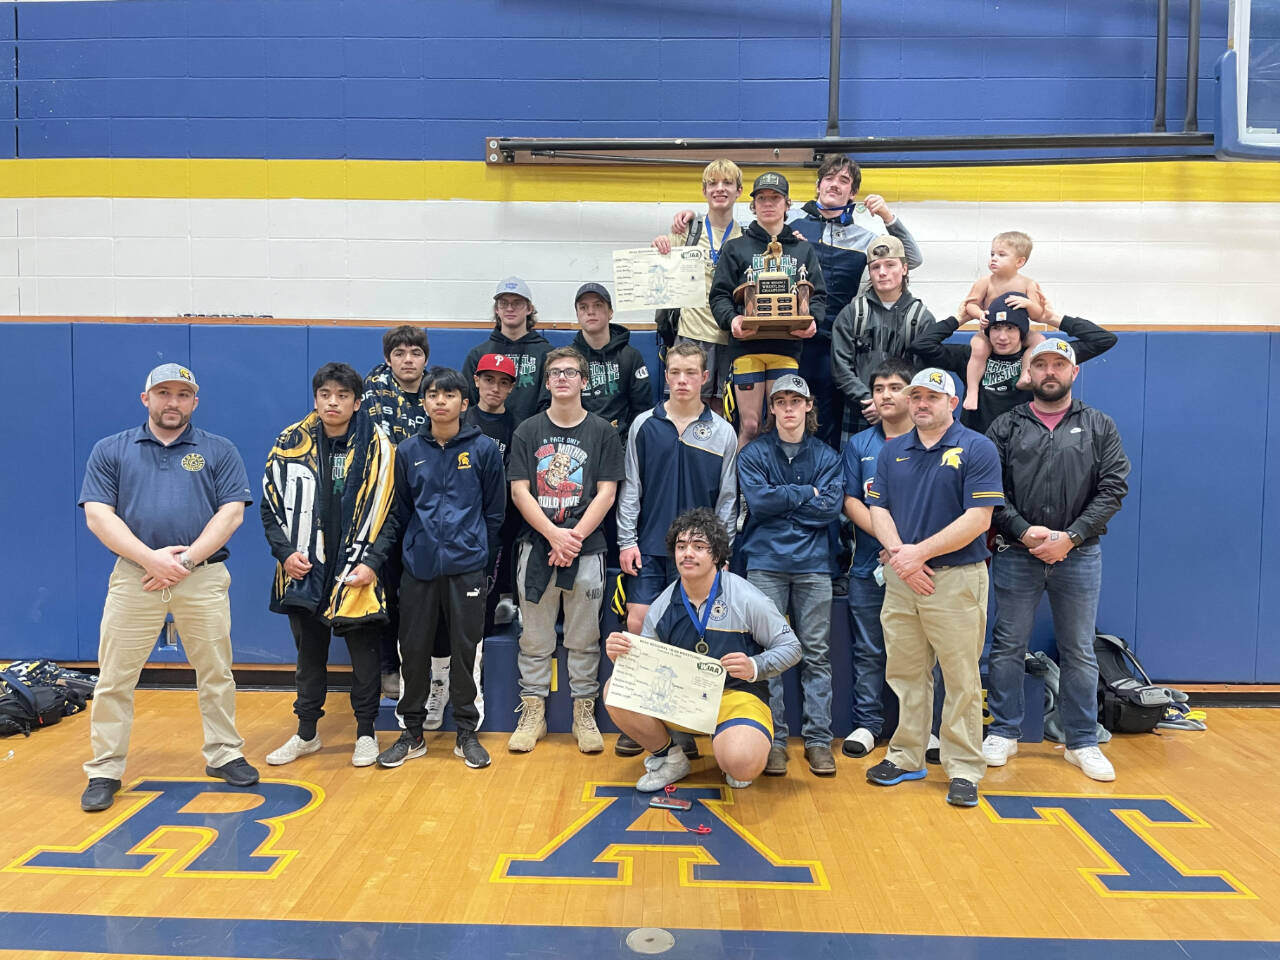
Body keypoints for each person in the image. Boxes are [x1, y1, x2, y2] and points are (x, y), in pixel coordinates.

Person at [78, 363, 257, 812]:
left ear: (195, 402)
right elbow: (99, 515)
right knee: (115, 677)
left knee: (216, 671)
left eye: (182, 394)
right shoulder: (111, 449)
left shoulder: (219, 450)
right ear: (146, 399)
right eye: (163, 393)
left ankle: (223, 754)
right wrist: (151, 559)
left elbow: (231, 513)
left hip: (203, 576)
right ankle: (105, 768)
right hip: (134, 577)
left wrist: (186, 560)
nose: (172, 402)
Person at [984, 338, 1131, 782]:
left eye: (1058, 365)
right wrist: (1023, 531)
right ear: (1028, 374)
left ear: (1073, 372)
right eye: (1041, 364)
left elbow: (1113, 489)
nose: (1050, 372)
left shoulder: (1099, 426)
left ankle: (1082, 739)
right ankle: (1006, 731)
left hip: (1079, 555)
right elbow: (989, 492)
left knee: (1079, 649)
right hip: (1017, 553)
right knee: (1007, 645)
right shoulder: (1006, 426)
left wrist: (1071, 537)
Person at [865, 368, 1004, 808]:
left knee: (961, 678)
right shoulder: (893, 451)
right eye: (916, 396)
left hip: (956, 580)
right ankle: (907, 755)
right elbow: (877, 509)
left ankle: (963, 766)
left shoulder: (977, 448)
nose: (922, 403)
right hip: (904, 579)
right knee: (905, 673)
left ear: (953, 402)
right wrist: (903, 560)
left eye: (932, 396)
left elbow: (978, 520)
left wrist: (915, 554)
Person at [603, 508, 802, 791]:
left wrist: (755, 665)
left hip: (735, 697)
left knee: (741, 762)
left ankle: (734, 751)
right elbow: (645, 670)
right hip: (685, 699)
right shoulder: (662, 605)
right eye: (681, 546)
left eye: (699, 547)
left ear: (717, 555)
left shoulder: (745, 597)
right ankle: (670, 758)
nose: (687, 554)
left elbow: (792, 647)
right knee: (616, 688)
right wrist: (622, 657)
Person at [262, 362, 399, 770]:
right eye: (325, 395)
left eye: (342, 396)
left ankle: (366, 734)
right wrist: (285, 554)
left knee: (365, 658)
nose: (332, 402)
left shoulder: (380, 448)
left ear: (358, 402)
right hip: (305, 572)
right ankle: (306, 734)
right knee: (309, 659)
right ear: (316, 398)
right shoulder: (289, 444)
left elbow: (391, 516)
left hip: (358, 571)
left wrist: (372, 564)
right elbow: (270, 511)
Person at [377, 367, 506, 771]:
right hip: (419, 569)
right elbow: (398, 513)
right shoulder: (409, 451)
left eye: (449, 395)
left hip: (467, 568)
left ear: (464, 403)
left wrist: (476, 555)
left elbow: (495, 513)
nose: (440, 401)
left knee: (467, 650)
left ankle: (467, 731)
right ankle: (411, 733)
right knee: (413, 651)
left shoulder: (484, 449)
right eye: (433, 395)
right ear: (425, 402)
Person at [614, 340, 738, 758]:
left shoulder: (722, 432)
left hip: (701, 556)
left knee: (691, 635)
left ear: (705, 378)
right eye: (675, 372)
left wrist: (720, 552)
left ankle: (687, 725)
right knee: (638, 625)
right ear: (665, 376)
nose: (682, 380)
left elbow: (728, 499)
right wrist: (627, 541)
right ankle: (640, 721)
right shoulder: (643, 425)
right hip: (649, 547)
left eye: (691, 373)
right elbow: (631, 488)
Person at [507, 347, 624, 755]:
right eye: (554, 372)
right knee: (535, 637)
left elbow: (607, 493)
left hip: (587, 549)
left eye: (570, 372)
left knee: (584, 637)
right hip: (537, 548)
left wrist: (571, 539)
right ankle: (533, 712)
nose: (561, 378)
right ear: (546, 380)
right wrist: (554, 536)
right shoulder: (527, 430)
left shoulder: (603, 432)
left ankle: (583, 712)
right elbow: (520, 490)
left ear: (584, 380)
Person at [737, 375, 844, 778]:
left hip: (815, 566)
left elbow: (830, 509)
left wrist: (787, 502)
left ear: (809, 406)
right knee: (770, 656)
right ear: (772, 409)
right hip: (765, 562)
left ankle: (818, 740)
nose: (788, 409)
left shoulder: (827, 456)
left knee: (816, 653)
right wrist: (806, 495)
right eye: (780, 402)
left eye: (795, 401)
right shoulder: (754, 453)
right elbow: (760, 504)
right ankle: (775, 740)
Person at [790, 154, 923, 448]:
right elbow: (747, 243)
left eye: (844, 180)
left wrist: (889, 218)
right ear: (818, 185)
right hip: (790, 339)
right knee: (787, 414)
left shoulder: (864, 238)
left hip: (835, 345)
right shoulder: (793, 225)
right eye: (829, 178)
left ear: (853, 194)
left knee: (827, 422)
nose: (835, 184)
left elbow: (911, 259)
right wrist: (689, 222)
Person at [708, 171, 826, 449]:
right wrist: (732, 318)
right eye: (762, 198)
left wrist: (813, 322)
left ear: (787, 204)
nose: (768, 203)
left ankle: (774, 488)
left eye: (775, 198)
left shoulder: (802, 250)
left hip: (786, 349)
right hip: (747, 347)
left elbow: (819, 296)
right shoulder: (735, 248)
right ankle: (734, 492)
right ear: (753, 205)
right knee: (748, 426)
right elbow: (719, 296)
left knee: (780, 425)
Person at [840, 357, 916, 759]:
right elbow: (851, 500)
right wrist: (889, 542)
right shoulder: (860, 444)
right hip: (870, 566)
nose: (886, 395)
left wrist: (906, 551)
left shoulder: (929, 440)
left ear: (912, 392)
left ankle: (919, 727)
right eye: (878, 389)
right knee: (869, 649)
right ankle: (868, 724)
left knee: (919, 650)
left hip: (921, 566)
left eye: (894, 387)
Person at [913, 296, 1118, 435]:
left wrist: (1051, 318)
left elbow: (1103, 340)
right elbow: (921, 345)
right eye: (996, 328)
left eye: (1010, 328)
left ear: (1022, 332)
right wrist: (960, 318)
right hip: (979, 445)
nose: (1002, 337)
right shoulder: (971, 357)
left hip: (1025, 447)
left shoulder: (1041, 359)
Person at [362, 324, 430, 701]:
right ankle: (389, 667)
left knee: (420, 595)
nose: (408, 360)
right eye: (400, 354)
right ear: (389, 359)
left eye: (415, 353)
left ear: (425, 358)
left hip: (427, 507)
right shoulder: (372, 392)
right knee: (385, 591)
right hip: (385, 508)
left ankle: (422, 669)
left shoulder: (437, 390)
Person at [653, 158, 745, 416]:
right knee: (685, 407)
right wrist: (659, 247)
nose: (720, 188)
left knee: (721, 411)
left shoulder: (746, 237)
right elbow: (659, 269)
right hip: (690, 333)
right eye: (712, 183)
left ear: (738, 191)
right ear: (704, 191)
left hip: (728, 337)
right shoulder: (687, 230)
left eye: (727, 183)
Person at [830, 235, 935, 446]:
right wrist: (871, 401)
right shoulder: (852, 314)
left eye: (890, 265)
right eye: (875, 267)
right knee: (857, 477)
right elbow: (840, 366)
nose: (883, 272)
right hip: (862, 410)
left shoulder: (921, 318)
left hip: (907, 413)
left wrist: (896, 403)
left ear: (904, 268)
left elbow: (924, 371)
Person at [465, 353, 521, 637]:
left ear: (511, 387)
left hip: (495, 527)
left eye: (503, 382)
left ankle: (483, 665)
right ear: (476, 381)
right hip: (459, 523)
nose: (494, 388)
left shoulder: (517, 427)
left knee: (486, 595)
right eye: (488, 380)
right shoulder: (462, 420)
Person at [962, 231, 1046, 411]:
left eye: (1001, 255)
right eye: (992, 254)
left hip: (1018, 334)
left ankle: (1025, 374)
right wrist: (980, 314)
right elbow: (970, 305)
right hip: (988, 332)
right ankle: (972, 391)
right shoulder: (985, 282)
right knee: (978, 348)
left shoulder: (1028, 284)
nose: (994, 259)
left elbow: (1038, 314)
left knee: (1039, 341)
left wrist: (1028, 303)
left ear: (1019, 262)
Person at [462, 277, 553, 426]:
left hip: (531, 436)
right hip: (486, 438)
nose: (510, 308)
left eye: (517, 303)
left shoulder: (547, 354)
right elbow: (468, 402)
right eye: (504, 303)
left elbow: (549, 403)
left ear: (529, 308)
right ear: (497, 309)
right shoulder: (478, 354)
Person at [570, 283, 653, 445]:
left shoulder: (630, 356)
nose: (590, 311)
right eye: (583, 307)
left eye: (598, 305)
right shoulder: (568, 359)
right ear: (578, 315)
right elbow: (559, 409)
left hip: (620, 443)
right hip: (578, 442)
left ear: (610, 313)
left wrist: (628, 443)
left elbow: (642, 410)